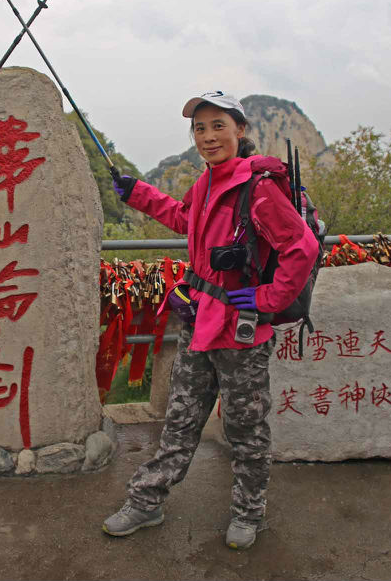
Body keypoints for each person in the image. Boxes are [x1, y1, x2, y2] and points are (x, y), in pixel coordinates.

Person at [102, 91, 318, 550]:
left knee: (246, 429)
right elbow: (185, 219)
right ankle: (147, 500)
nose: (207, 136)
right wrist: (138, 194)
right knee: (180, 421)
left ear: (240, 130)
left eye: (217, 125)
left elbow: (302, 249)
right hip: (201, 322)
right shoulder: (206, 184)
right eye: (199, 128)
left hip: (241, 330)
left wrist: (266, 297)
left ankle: (248, 513)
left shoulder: (257, 189)